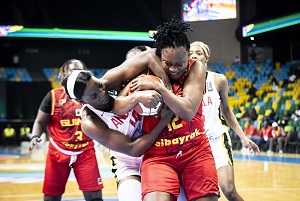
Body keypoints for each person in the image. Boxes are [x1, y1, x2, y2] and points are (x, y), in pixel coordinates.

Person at [112, 18, 219, 201]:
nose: (174, 69)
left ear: (188, 57)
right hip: (158, 155)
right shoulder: (144, 74)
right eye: (167, 63)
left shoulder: (196, 68)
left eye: (180, 63)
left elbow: (187, 111)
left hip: (195, 150)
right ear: (158, 57)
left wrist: (161, 89)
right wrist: (136, 96)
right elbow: (116, 106)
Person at [61, 70, 173, 201]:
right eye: (94, 96)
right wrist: (163, 121)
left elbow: (148, 56)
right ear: (80, 101)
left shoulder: (111, 83)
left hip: (157, 154)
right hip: (129, 165)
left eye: (99, 85)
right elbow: (133, 149)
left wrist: (165, 86)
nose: (102, 93)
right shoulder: (90, 122)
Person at [184, 40, 260, 201]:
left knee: (229, 191)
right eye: (190, 53)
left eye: (199, 53)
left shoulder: (218, 80)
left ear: (206, 57)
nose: (194, 56)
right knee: (203, 195)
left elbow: (227, 111)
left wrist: (244, 138)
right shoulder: (182, 82)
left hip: (217, 140)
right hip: (195, 144)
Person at [28, 59, 103, 201]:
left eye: (80, 72)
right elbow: (39, 121)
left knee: (95, 198)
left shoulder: (92, 95)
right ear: (63, 76)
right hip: (58, 152)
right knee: (51, 198)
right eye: (71, 73)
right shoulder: (53, 96)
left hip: (85, 152)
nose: (76, 76)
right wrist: (34, 136)